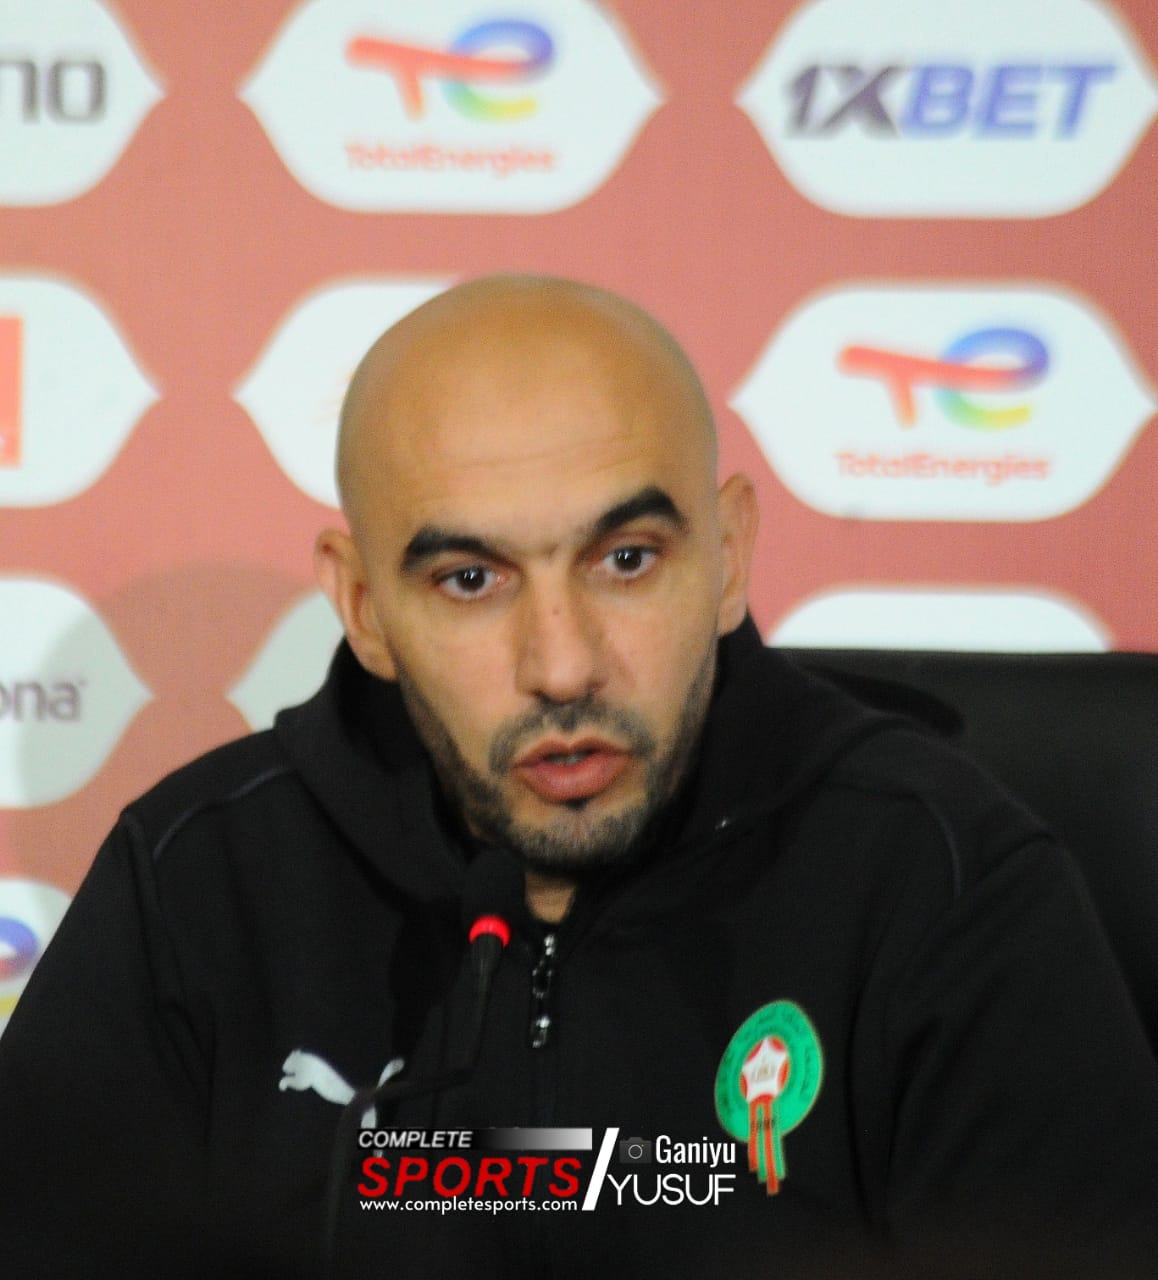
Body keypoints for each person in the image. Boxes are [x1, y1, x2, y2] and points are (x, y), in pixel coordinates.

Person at [0, 275, 1156, 1278]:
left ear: (728, 557)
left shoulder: (941, 879)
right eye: (470, 579)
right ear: (363, 605)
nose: (562, 665)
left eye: (627, 559)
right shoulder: (199, 886)